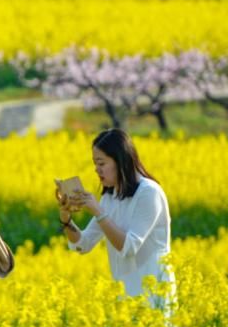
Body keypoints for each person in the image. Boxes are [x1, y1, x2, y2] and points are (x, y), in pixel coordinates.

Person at [57, 128, 173, 309]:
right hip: (124, 303)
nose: (97, 169)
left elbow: (129, 247)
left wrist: (99, 212)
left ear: (120, 161)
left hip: (152, 300)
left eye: (101, 163)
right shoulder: (110, 198)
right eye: (95, 163)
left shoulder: (149, 193)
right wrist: (66, 219)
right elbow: (83, 244)